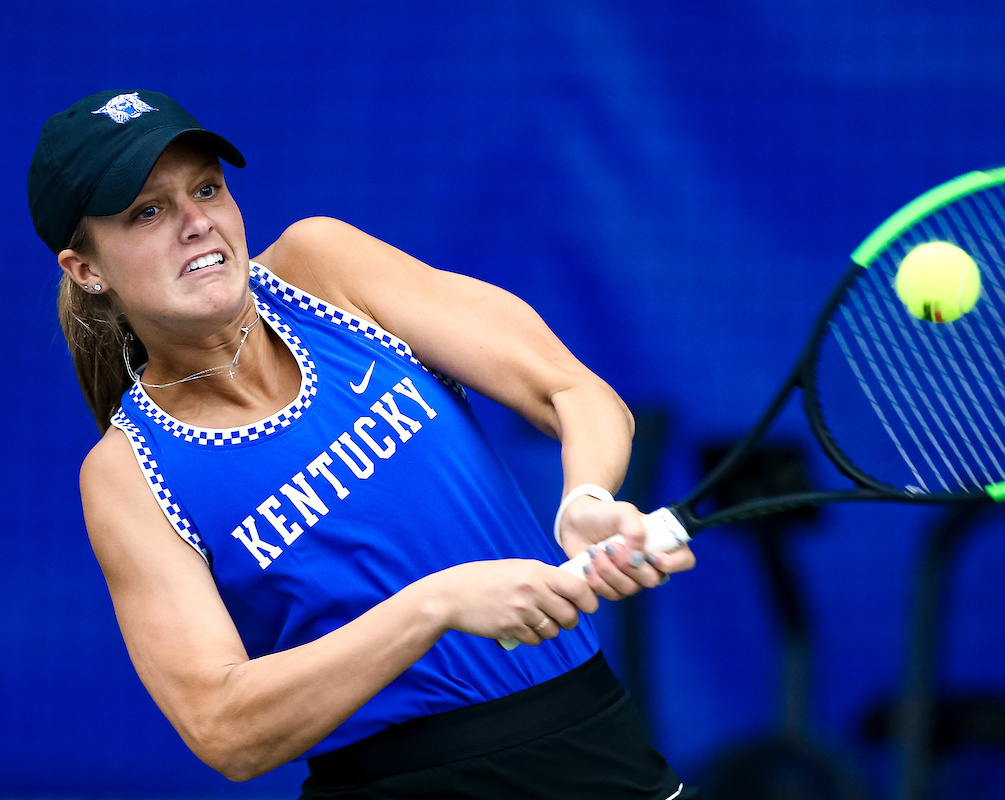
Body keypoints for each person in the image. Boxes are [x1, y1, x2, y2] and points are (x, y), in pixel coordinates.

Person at [30, 89, 696, 799]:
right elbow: (223, 727)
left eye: (207, 188)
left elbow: (569, 389)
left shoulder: (324, 269)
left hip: (593, 746)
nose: (198, 223)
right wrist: (432, 606)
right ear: (87, 271)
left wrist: (585, 498)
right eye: (148, 212)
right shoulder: (127, 475)